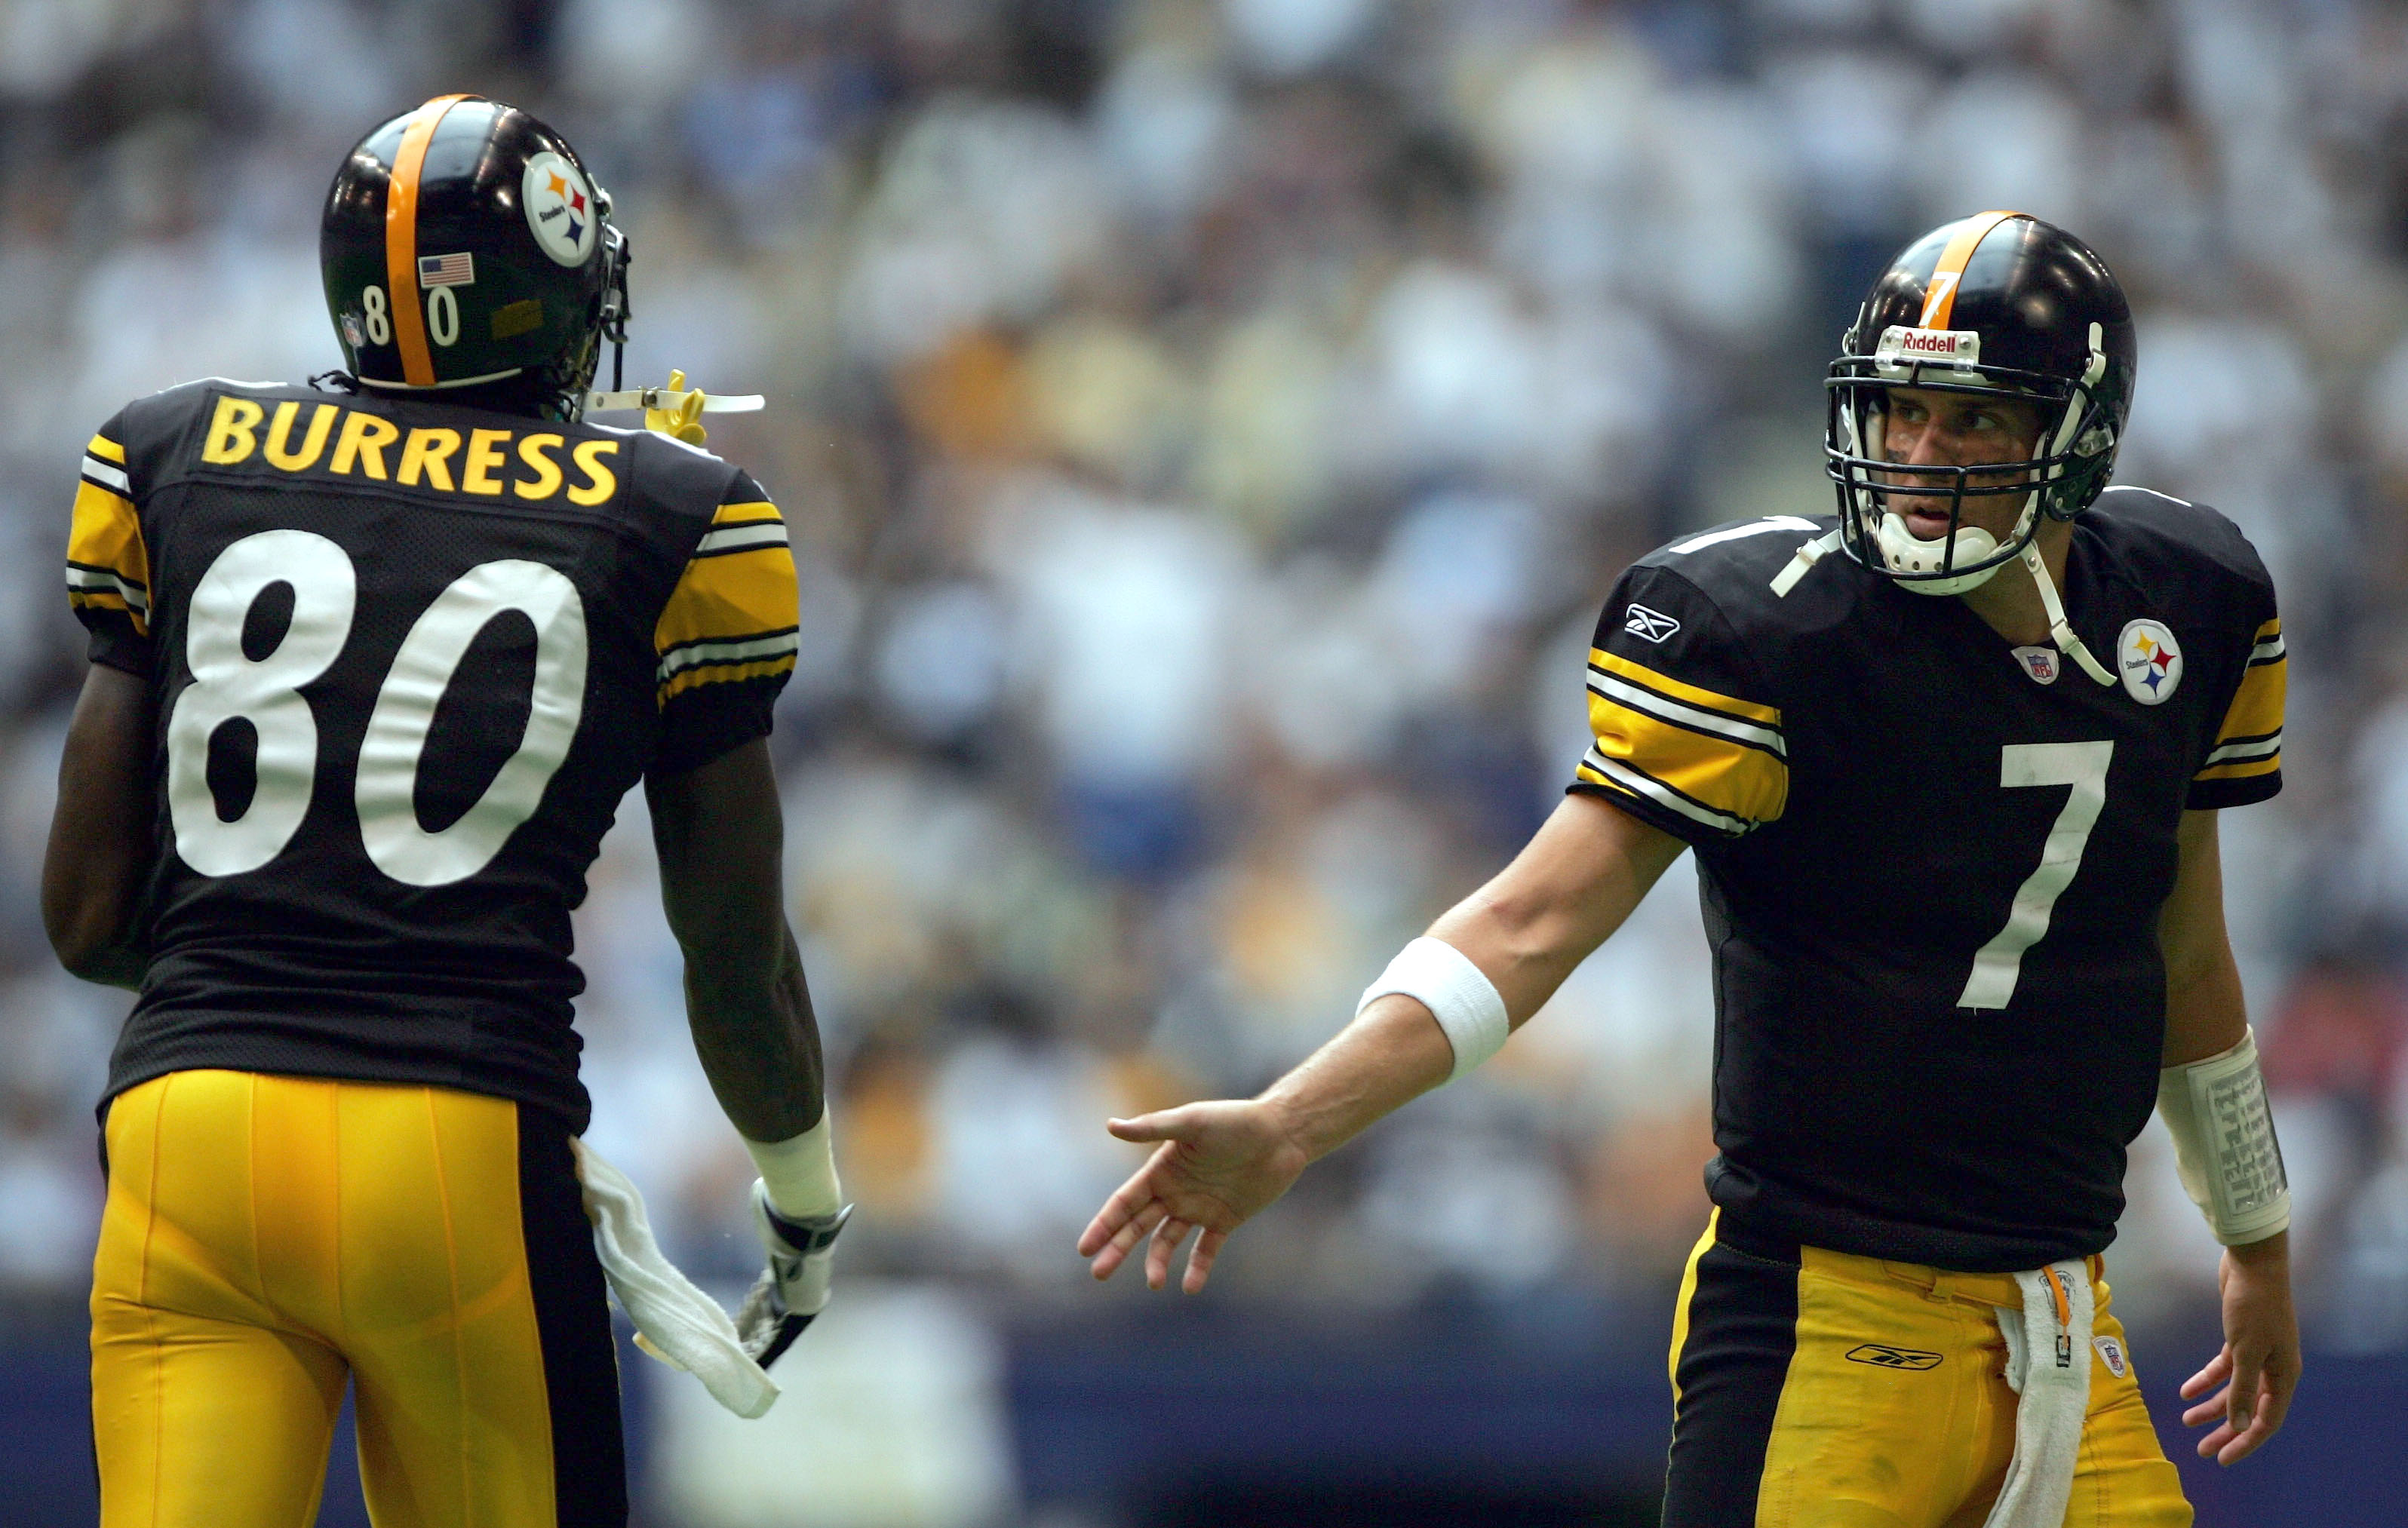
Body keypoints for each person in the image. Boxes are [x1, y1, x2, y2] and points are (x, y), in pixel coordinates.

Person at [1080, 211, 2297, 1525]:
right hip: (1826, 1316)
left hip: (2069, 1316)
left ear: (2075, 437)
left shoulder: (2191, 596)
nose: (1919, 455)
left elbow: (2188, 956)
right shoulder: (1766, 632)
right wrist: (1290, 1122)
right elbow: (1531, 920)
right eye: (1897, 413)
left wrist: (2256, 1235)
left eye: (1973, 421)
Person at [45, 95, 846, 1527]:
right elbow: (733, 949)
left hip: (187, 1137)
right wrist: (802, 1195)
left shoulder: (171, 452)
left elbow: (87, 916)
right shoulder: (676, 512)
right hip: (458, 1142)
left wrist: (281, 970)